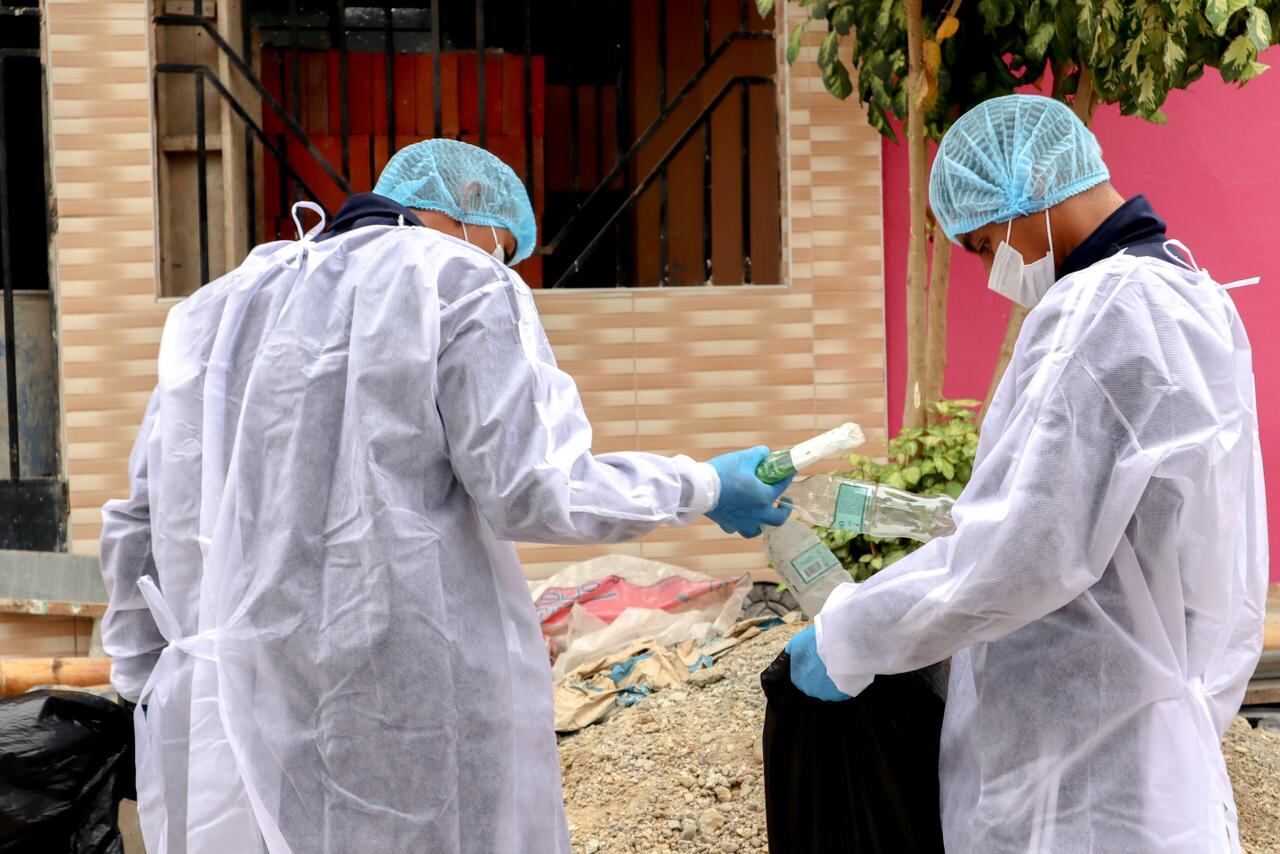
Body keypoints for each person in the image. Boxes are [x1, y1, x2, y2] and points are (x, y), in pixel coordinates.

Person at [99, 138, 791, 854]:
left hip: (240, 714)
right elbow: (535, 488)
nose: (504, 266)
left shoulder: (219, 310)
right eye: (506, 250)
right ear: (473, 212)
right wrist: (704, 485)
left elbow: (138, 520)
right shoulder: (457, 278)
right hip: (412, 706)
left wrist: (144, 685)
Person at [785, 95, 1267, 852]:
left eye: (983, 245)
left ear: (1027, 190)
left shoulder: (1099, 312)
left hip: (1078, 769)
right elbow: (1221, 560)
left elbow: (1018, 552)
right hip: (1155, 747)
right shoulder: (1189, 294)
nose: (990, 274)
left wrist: (849, 632)